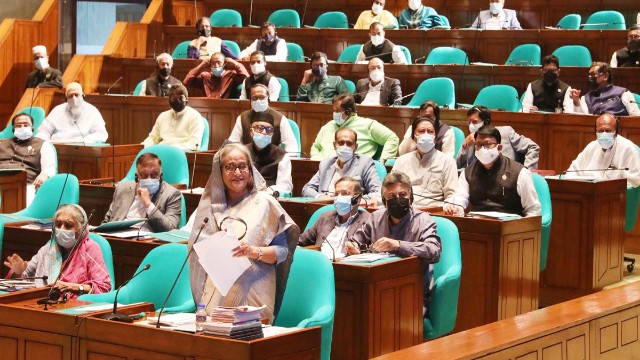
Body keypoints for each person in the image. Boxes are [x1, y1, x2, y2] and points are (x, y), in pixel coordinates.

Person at [188, 143, 299, 323]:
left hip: (254, 291)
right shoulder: (209, 209)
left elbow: (283, 252)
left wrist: (255, 252)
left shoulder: (265, 203)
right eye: (230, 167)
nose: (237, 173)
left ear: (250, 169)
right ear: (219, 172)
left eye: (242, 166)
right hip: (216, 293)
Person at [350, 171, 441, 315]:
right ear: (384, 200)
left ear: (411, 197)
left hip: (413, 293)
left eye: (403, 195)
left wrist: (398, 245)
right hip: (377, 289)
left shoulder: (424, 220)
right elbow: (356, 240)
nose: (398, 199)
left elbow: (434, 251)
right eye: (392, 196)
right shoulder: (375, 218)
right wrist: (352, 246)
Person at [3, 204, 111, 298]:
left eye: (68, 225)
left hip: (73, 305)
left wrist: (74, 287)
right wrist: (19, 271)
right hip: (43, 302)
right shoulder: (49, 248)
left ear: (81, 228)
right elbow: (24, 278)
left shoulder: (90, 248)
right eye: (58, 225)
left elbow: (104, 287)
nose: (62, 229)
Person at [445, 125, 541, 217]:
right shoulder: (468, 172)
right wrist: (456, 207)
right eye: (479, 145)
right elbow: (460, 198)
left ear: (499, 148)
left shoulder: (520, 172)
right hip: (478, 224)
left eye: (488, 144)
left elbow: (533, 210)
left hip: (510, 226)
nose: (483, 149)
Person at [103, 152, 182, 233]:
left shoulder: (172, 194)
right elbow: (107, 221)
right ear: (137, 176)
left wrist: (148, 204)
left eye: (154, 174)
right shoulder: (122, 189)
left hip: (147, 241)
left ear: (161, 176)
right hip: (117, 237)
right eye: (144, 175)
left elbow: (170, 229)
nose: (149, 179)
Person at [310, 94, 399, 163]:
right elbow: (316, 147)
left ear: (348, 111)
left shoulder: (367, 125)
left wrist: (382, 160)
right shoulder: (328, 125)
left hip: (353, 172)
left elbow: (392, 138)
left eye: (337, 110)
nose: (334, 113)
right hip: (323, 169)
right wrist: (317, 161)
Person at [298, 176, 371, 259]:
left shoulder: (367, 220)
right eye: (336, 194)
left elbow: (374, 251)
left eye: (344, 194)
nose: (339, 198)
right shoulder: (325, 217)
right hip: (319, 264)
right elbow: (301, 240)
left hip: (345, 267)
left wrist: (358, 253)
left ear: (357, 200)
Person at [303, 128, 382, 204]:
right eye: (341, 143)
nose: (345, 146)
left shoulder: (365, 163)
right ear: (334, 145)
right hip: (325, 208)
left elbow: (378, 192)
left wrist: (352, 200)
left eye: (349, 143)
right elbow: (307, 189)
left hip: (351, 210)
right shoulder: (326, 164)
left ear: (355, 147)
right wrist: (320, 197)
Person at [392, 116, 457, 207]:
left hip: (433, 211)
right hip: (404, 210)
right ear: (413, 137)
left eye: (430, 132)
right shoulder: (401, 160)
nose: (426, 135)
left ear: (435, 138)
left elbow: (451, 195)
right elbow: (391, 189)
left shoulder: (448, 161)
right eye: (422, 131)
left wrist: (450, 206)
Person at [567, 113, 640, 187]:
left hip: (616, 195)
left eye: (608, 131)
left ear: (616, 132)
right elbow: (573, 170)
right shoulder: (591, 147)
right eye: (601, 131)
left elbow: (634, 182)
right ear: (596, 131)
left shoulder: (628, 149)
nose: (604, 134)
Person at [457, 106, 539, 170]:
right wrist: (465, 147)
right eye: (469, 122)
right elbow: (456, 166)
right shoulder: (471, 140)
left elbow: (532, 147)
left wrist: (527, 172)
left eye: (474, 122)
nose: (471, 126)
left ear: (486, 122)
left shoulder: (506, 132)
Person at [0, 113, 56, 203]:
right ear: (13, 128)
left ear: (32, 127)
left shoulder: (43, 145)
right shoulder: (2, 144)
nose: (22, 127)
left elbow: (50, 167)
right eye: (18, 125)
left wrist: (44, 175)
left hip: (26, 185)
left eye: (26, 125)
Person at [228, 84, 299, 154]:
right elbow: (232, 143)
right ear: (250, 100)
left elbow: (291, 146)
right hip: (248, 159)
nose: (258, 100)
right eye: (254, 98)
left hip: (272, 160)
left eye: (262, 97)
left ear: (268, 99)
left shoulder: (280, 118)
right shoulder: (242, 117)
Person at [37, 82, 108, 143]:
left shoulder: (92, 111)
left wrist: (82, 141)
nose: (74, 98)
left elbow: (101, 134)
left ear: (83, 95)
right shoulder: (57, 110)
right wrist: (46, 145)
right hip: (57, 147)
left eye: (76, 95)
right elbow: (43, 131)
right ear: (66, 98)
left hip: (82, 149)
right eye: (70, 96)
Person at [141, 84, 204, 151]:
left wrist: (171, 150)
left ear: (186, 99)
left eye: (181, 98)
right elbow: (153, 138)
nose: (178, 101)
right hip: (160, 153)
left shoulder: (195, 116)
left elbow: (194, 144)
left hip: (181, 154)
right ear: (169, 100)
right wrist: (142, 147)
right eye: (174, 98)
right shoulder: (163, 116)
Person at [245, 111, 293, 196]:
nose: (264, 132)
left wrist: (265, 191)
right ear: (251, 132)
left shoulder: (282, 156)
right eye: (260, 128)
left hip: (269, 198)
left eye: (269, 129)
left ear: (272, 134)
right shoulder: (242, 152)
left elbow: (285, 186)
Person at [570, 62, 640, 116]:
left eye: (593, 74)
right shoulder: (586, 98)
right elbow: (581, 120)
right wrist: (576, 101)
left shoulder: (623, 94)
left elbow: (636, 117)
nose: (590, 77)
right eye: (589, 75)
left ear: (605, 76)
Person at [183, 52, 249, 99]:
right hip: (207, 106)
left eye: (219, 63)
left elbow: (246, 78)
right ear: (210, 64)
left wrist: (235, 63)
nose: (216, 66)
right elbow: (186, 82)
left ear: (224, 64)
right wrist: (201, 65)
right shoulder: (205, 76)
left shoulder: (231, 75)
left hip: (225, 107)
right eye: (213, 63)